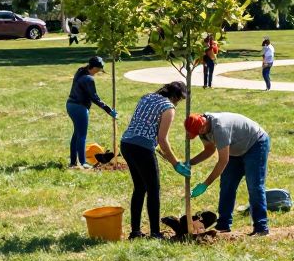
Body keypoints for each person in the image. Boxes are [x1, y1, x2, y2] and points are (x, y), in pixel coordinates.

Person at [120, 81, 189, 239]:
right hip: (142, 149)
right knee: (153, 190)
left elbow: (143, 124)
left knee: (139, 188)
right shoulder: (168, 108)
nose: (177, 104)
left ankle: (135, 232)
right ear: (175, 97)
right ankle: (155, 233)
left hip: (126, 143)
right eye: (179, 100)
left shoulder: (147, 97)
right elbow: (162, 139)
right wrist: (176, 163)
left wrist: (158, 149)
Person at [185, 111, 271, 236]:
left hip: (255, 144)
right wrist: (190, 163)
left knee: (254, 186)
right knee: (227, 186)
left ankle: (261, 227)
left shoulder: (220, 127)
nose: (199, 134)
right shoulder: (201, 128)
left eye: (199, 132)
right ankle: (224, 225)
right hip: (235, 149)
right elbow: (209, 150)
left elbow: (223, 161)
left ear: (204, 124)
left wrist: (205, 184)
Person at [65, 56, 117, 169]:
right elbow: (95, 98)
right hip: (80, 108)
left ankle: (73, 162)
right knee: (82, 136)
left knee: (76, 135)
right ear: (94, 68)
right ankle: (83, 162)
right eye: (99, 69)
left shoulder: (80, 71)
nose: (99, 72)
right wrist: (109, 110)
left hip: (70, 105)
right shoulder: (88, 79)